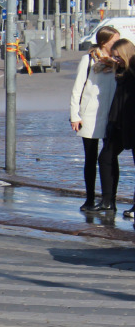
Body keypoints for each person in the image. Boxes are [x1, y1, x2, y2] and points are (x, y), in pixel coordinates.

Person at [71, 26, 119, 211]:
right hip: (90, 114)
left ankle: (109, 200)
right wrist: (74, 115)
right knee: (90, 158)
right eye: (114, 40)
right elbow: (77, 89)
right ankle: (89, 198)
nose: (117, 44)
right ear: (103, 42)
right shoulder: (89, 60)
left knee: (110, 157)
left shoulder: (117, 62)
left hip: (111, 115)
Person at [97, 38, 135, 216]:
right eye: (114, 57)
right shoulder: (119, 70)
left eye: (118, 57)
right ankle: (108, 201)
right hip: (118, 122)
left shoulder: (132, 70)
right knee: (105, 157)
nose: (116, 60)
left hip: (132, 123)